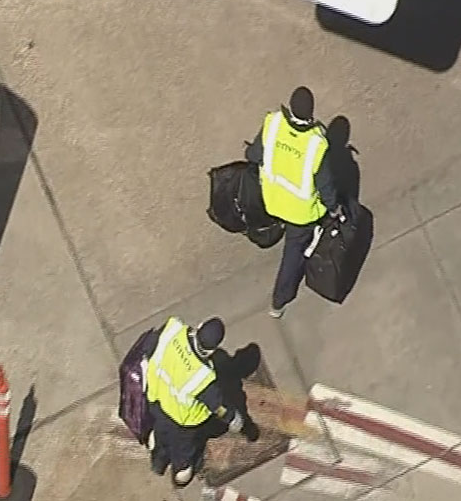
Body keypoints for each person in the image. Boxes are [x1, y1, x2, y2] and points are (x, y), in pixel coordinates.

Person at [244, 86, 341, 319]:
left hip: (272, 200)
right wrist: (335, 209)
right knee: (292, 255)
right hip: (301, 214)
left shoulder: (273, 123)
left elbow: (253, 156)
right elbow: (325, 187)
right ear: (312, 113)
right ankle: (278, 302)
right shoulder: (317, 145)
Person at [139, 316, 244, 487]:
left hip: (157, 402)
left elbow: (150, 344)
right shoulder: (201, 377)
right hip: (181, 423)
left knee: (161, 434)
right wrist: (233, 418)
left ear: (199, 326)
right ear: (212, 350)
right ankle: (180, 478)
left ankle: (158, 462)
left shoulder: (173, 330)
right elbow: (218, 407)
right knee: (183, 453)